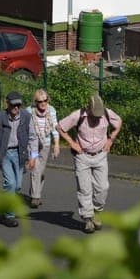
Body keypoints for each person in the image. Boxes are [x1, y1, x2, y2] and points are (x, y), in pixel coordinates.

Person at [57, 94, 122, 233]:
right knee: (84, 188)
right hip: (82, 156)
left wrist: (110, 140)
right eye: (95, 114)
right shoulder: (78, 115)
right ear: (89, 108)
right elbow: (60, 127)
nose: (98, 117)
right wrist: (72, 143)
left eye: (99, 115)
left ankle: (97, 212)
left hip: (100, 155)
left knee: (103, 187)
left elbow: (119, 123)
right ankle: (88, 219)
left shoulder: (107, 114)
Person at [0, 91, 31, 227]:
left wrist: (34, 156)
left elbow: (33, 137)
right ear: (7, 104)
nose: (16, 108)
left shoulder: (26, 116)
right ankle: (9, 216)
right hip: (5, 154)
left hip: (20, 153)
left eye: (18, 105)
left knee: (18, 185)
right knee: (11, 183)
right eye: (13, 105)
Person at [26, 88, 60, 208]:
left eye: (45, 100)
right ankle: (35, 197)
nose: (43, 103)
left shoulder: (51, 111)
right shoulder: (29, 111)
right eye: (40, 101)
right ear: (35, 102)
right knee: (35, 168)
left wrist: (56, 145)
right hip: (33, 145)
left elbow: (55, 129)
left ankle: (35, 193)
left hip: (45, 144)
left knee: (41, 171)